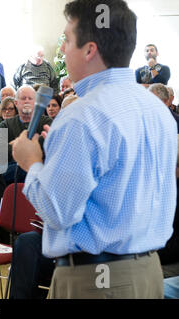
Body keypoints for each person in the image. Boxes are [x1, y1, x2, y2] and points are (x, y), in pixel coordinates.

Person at [11, 0, 176, 299]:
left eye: (67, 39)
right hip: (148, 271)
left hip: (97, 280)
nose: (61, 49)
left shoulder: (82, 115)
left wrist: (32, 163)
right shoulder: (157, 109)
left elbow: (57, 211)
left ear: (89, 50)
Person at [0, 86, 52, 184]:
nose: (27, 101)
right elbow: (1, 150)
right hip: (12, 167)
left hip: (40, 164)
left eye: (30, 98)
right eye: (23, 98)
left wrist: (18, 144)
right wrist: (32, 145)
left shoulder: (47, 122)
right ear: (16, 103)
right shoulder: (5, 124)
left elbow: (49, 145)